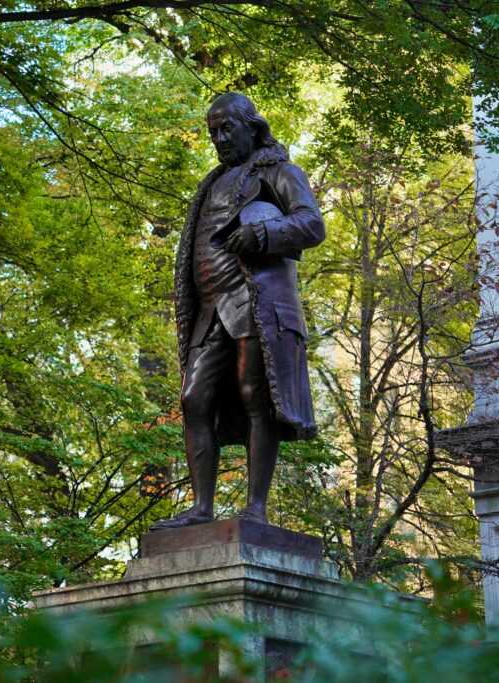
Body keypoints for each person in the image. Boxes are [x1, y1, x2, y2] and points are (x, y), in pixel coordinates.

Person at [151, 92, 325, 529]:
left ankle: (256, 509)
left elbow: (312, 223)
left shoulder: (280, 173)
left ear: (254, 127)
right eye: (213, 131)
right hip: (211, 308)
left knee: (255, 396)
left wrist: (264, 234)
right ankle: (202, 508)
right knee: (194, 399)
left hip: (256, 304)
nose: (220, 138)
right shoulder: (210, 185)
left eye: (227, 128)